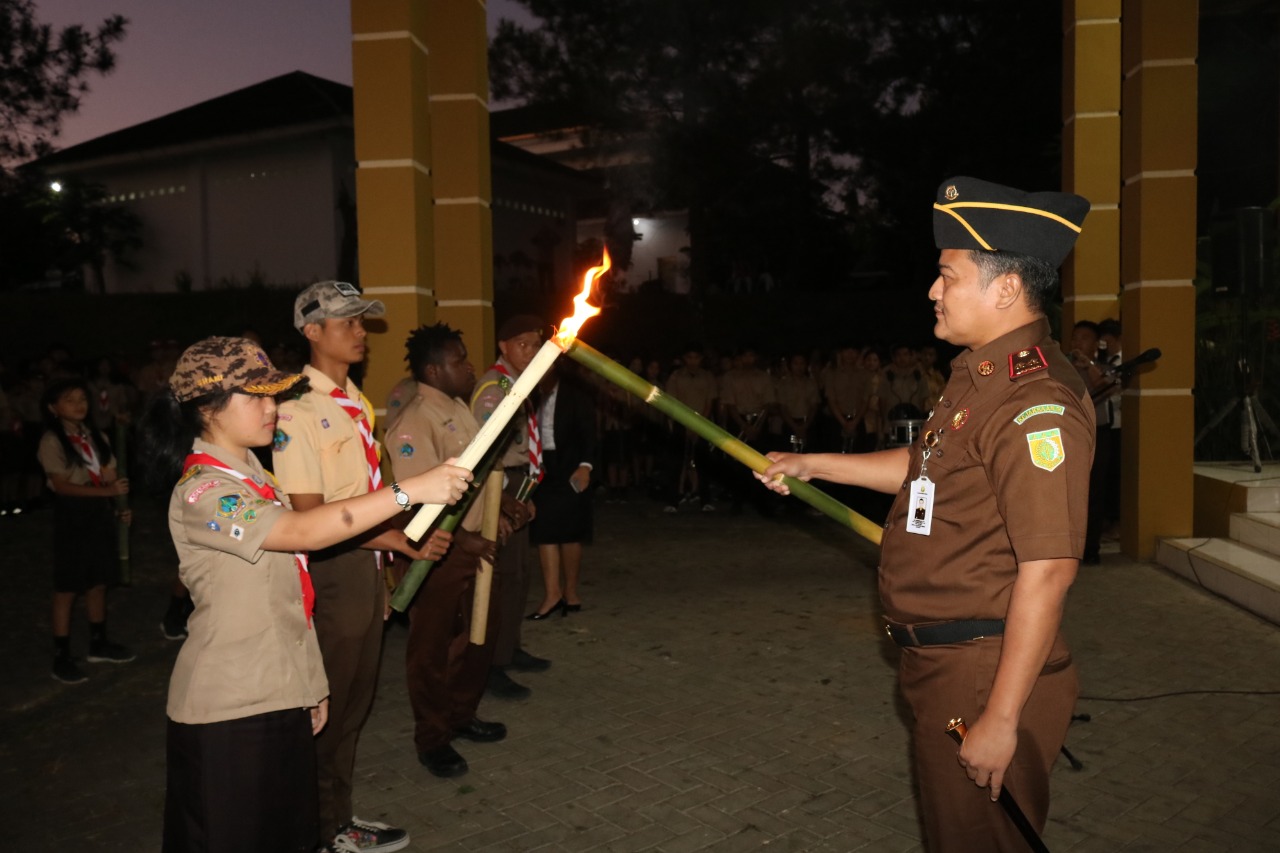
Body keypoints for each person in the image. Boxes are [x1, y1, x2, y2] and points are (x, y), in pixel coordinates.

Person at [759, 176, 1093, 852]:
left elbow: (1049, 571)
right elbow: (927, 468)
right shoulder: (982, 375)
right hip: (949, 663)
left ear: (1004, 288)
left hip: (980, 671)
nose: (932, 290)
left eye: (948, 275)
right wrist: (814, 464)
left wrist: (1000, 717)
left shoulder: (1036, 403)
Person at [140, 336, 464, 853]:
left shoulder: (255, 478)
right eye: (256, 397)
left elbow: (290, 597)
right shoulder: (204, 492)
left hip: (277, 692)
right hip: (228, 710)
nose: (273, 408)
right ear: (207, 409)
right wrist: (410, 490)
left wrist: (310, 683)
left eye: (275, 395)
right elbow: (303, 533)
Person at [273, 281, 437, 852]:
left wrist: (396, 544)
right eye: (348, 323)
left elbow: (362, 489)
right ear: (312, 332)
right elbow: (309, 515)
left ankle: (335, 819)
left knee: (354, 703)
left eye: (362, 321)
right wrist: (391, 533)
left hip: (363, 566)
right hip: (333, 569)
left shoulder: (354, 403)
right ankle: (316, 829)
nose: (360, 332)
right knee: (329, 706)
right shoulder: (294, 409)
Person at [386, 323, 508, 779]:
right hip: (434, 550)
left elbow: (470, 476)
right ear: (434, 370)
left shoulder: (456, 407)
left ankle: (460, 715)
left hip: (473, 544)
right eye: (460, 360)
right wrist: (461, 541)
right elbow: (416, 502)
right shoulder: (415, 422)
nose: (470, 366)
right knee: (431, 649)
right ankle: (432, 738)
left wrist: (506, 506)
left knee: (477, 636)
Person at [470, 315, 549, 700]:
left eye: (536, 345)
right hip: (500, 482)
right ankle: (493, 665)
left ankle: (510, 648)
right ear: (503, 346)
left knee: (518, 574)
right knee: (500, 577)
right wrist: (500, 503)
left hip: (520, 480)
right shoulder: (494, 387)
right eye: (523, 344)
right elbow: (486, 451)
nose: (531, 352)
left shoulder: (516, 383)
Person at [38, 376, 135, 684]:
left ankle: (98, 641)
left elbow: (108, 475)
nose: (79, 405)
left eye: (82, 399)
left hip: (99, 513)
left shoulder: (97, 437)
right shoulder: (52, 441)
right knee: (67, 586)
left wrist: (119, 505)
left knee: (98, 580)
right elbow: (63, 487)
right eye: (70, 400)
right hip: (72, 515)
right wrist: (107, 494)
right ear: (53, 408)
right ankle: (61, 654)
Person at [528, 362, 598, 617]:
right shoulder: (528, 393)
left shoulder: (575, 394)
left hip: (570, 466)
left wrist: (586, 466)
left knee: (570, 531)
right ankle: (551, 594)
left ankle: (571, 591)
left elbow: (589, 433)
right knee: (544, 530)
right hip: (539, 466)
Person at [663, 343, 718, 511]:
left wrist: (699, 424)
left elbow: (710, 402)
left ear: (701, 359)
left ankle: (705, 500)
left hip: (702, 424)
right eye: (689, 357)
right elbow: (672, 401)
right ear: (684, 359)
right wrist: (684, 424)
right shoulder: (676, 376)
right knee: (676, 464)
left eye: (696, 357)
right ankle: (673, 501)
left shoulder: (708, 377)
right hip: (681, 423)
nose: (693, 361)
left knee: (703, 464)